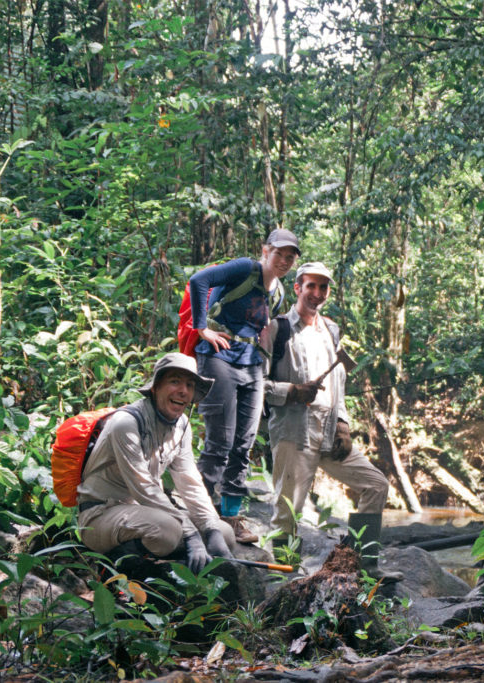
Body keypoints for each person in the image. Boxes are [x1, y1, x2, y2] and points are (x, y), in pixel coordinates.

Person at [263, 262, 399, 581]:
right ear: (297, 287)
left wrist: (343, 423)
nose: (317, 293)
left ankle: (364, 566)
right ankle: (285, 578)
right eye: (311, 286)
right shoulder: (276, 328)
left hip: (329, 434)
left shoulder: (332, 329)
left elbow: (339, 382)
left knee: (376, 484)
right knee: (287, 510)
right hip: (293, 434)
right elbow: (255, 385)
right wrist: (292, 391)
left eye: (323, 288)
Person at [77, 352, 235, 575]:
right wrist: (190, 535)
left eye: (190, 385)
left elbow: (190, 482)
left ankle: (167, 556)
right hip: (101, 513)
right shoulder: (126, 423)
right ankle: (115, 564)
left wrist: (211, 529)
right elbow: (143, 488)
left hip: (144, 512)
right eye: (174, 381)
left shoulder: (181, 426)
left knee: (224, 532)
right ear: (155, 387)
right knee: (168, 531)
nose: (184, 391)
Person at [190, 229, 299, 543]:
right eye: (279, 253)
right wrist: (201, 329)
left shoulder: (278, 291)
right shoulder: (245, 268)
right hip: (218, 357)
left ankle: (231, 518)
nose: (284, 260)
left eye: (290, 256)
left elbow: (264, 327)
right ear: (265, 251)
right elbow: (200, 280)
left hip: (252, 365)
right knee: (220, 441)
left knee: (243, 445)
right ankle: (199, 513)